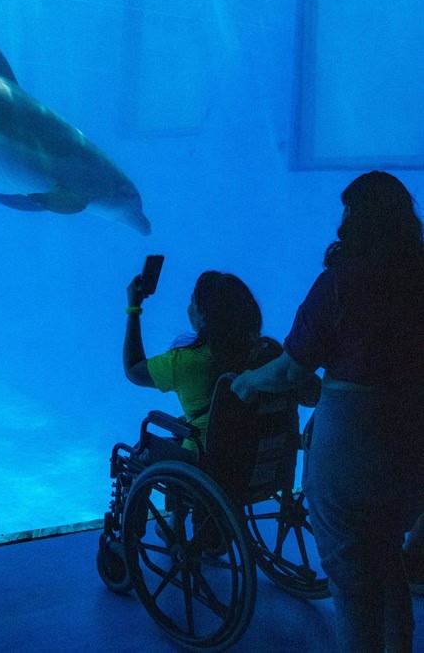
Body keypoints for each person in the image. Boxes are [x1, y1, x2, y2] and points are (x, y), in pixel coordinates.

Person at [231, 171, 424, 653]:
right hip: (415, 444)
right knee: (386, 560)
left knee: (353, 584)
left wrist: (247, 382)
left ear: (356, 219)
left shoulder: (340, 283)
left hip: (353, 447)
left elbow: (291, 373)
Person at [123, 269, 319, 451]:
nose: (188, 306)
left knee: (139, 450)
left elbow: (133, 369)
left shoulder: (186, 362)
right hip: (261, 469)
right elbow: (312, 394)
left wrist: (134, 308)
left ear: (203, 318)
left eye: (192, 301)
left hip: (207, 469)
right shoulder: (270, 355)